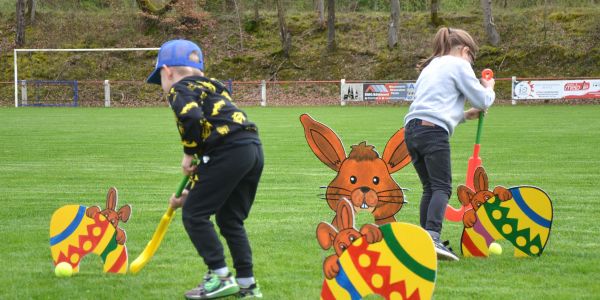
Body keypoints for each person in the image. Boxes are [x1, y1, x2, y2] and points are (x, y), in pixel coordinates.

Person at [147, 39, 264, 299]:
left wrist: (188, 152)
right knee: (229, 219)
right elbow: (215, 143)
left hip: (228, 151)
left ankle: (220, 276)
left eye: (161, 82)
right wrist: (193, 191)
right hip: (251, 149)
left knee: (193, 215)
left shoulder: (179, 88)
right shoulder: (215, 87)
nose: (163, 89)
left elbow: (191, 117)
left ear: (167, 72)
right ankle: (248, 285)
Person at [403, 27, 495, 261]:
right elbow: (482, 99)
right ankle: (432, 237)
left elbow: (434, 105)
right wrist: (489, 89)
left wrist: (464, 115)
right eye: (471, 59)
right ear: (465, 51)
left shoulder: (431, 67)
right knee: (442, 187)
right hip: (433, 132)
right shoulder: (459, 65)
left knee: (430, 187)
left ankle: (424, 239)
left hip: (412, 130)